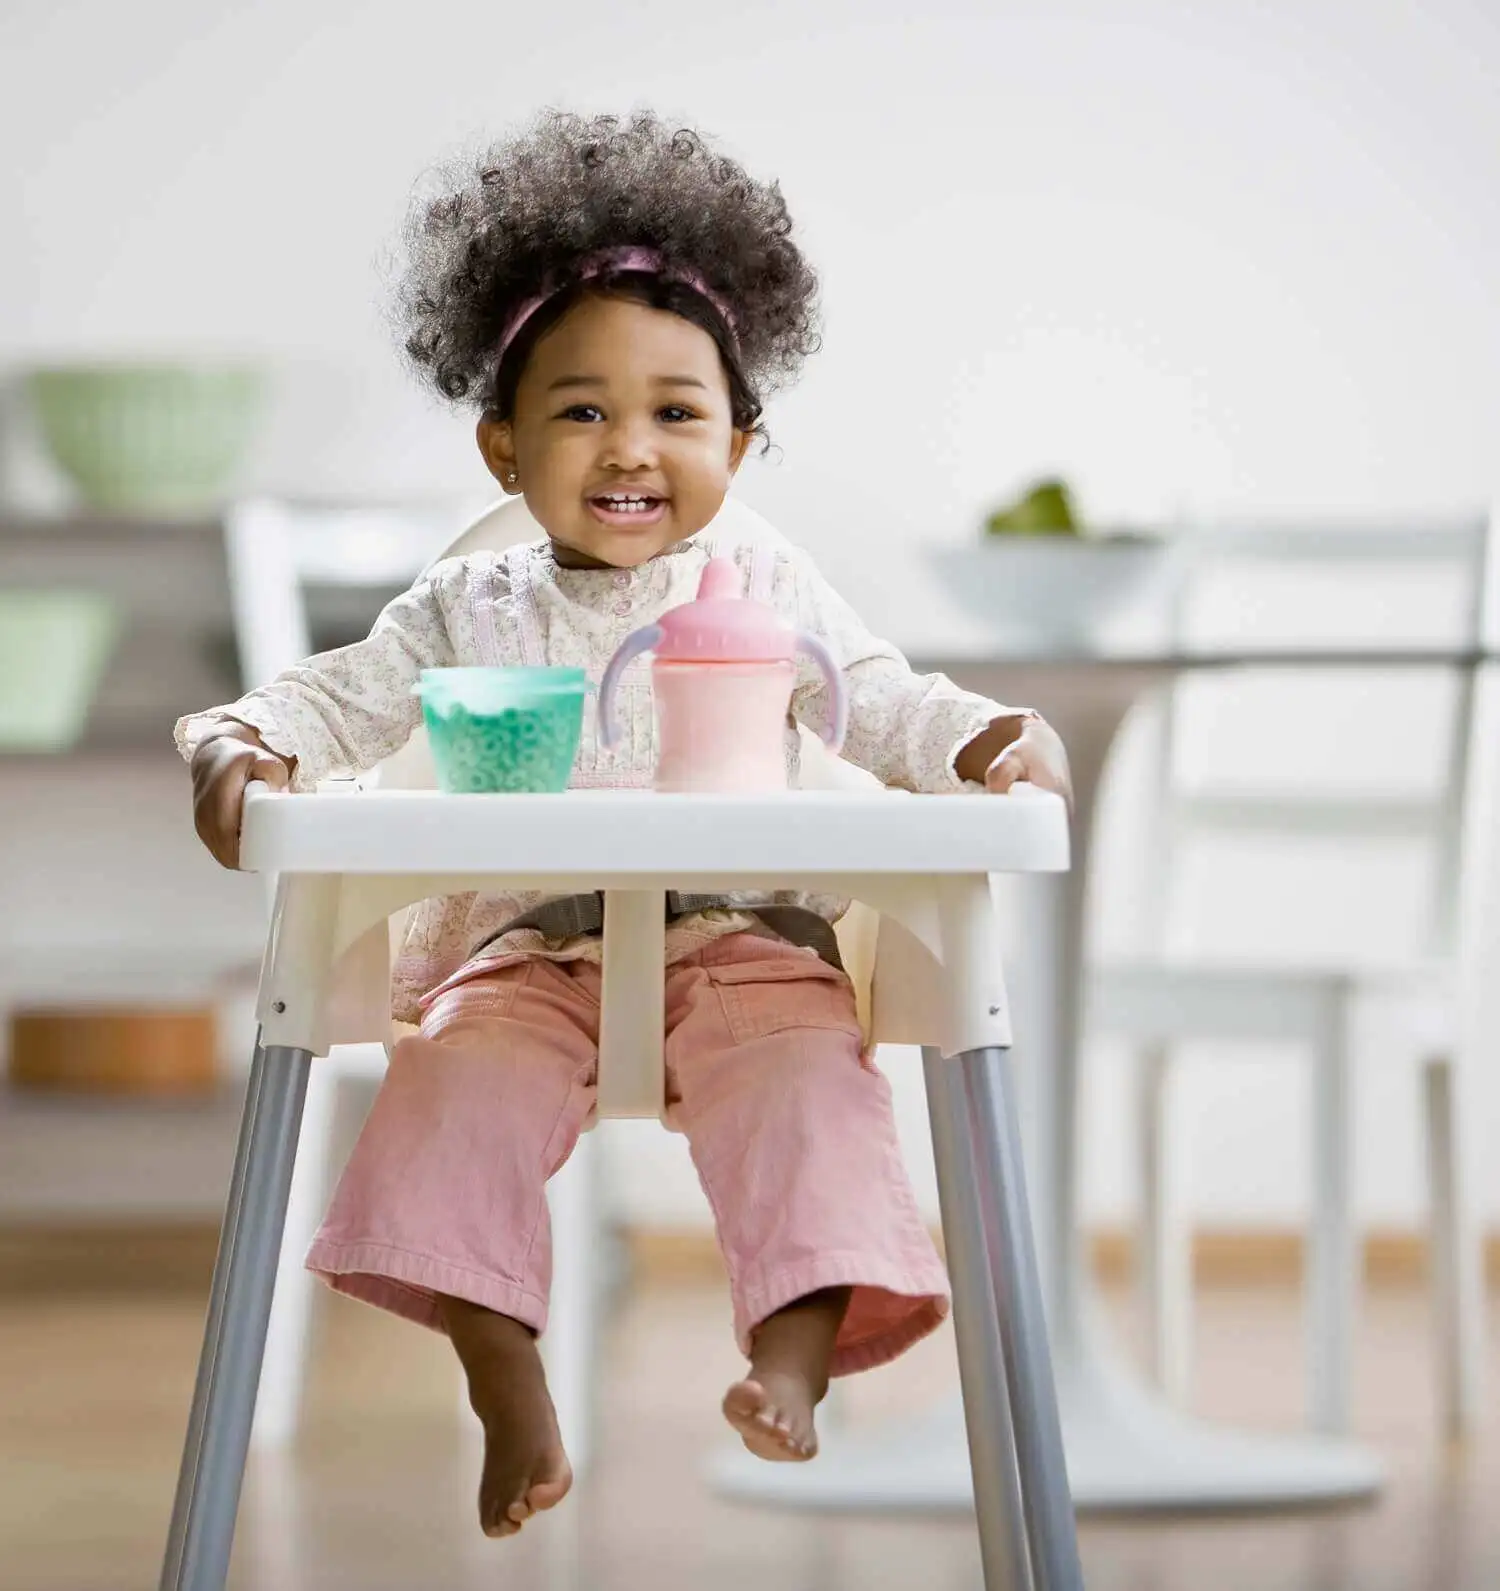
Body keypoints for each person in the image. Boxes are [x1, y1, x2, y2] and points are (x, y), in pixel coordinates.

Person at [177, 109, 1071, 1540]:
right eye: (581, 409)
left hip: (746, 943)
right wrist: (240, 742)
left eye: (676, 411)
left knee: (813, 1093)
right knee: (446, 1094)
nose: (629, 447)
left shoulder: (768, 580)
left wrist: (984, 739)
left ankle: (791, 1352)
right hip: (523, 952)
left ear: (742, 438)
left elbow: (878, 698)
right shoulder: (464, 607)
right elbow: (331, 698)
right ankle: (499, 1360)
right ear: (501, 445)